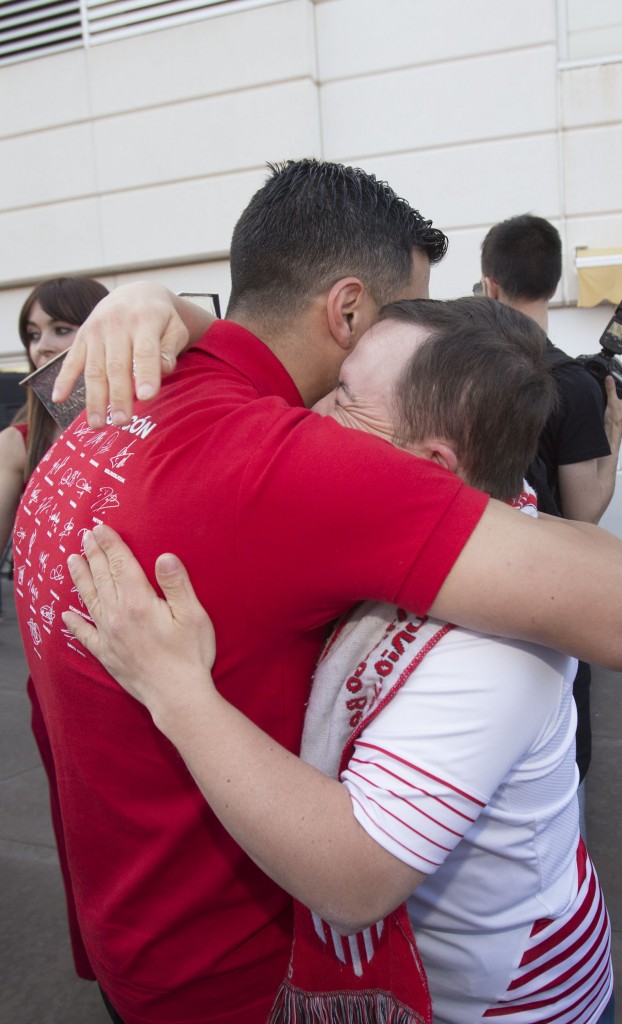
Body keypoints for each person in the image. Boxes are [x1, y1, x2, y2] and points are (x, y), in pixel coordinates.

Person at [13, 159, 622, 1024]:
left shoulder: (108, 409)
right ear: (348, 312)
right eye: (406, 308)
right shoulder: (294, 463)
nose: (325, 414)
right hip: (236, 974)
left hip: (129, 931)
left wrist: (167, 304)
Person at [480, 213, 622, 836]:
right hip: (556, 603)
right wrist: (611, 442)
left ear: (490, 284)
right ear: (555, 282)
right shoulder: (577, 387)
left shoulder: (465, 374)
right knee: (559, 763)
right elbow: (583, 515)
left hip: (477, 590)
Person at [0, 276, 108, 982]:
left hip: (152, 659)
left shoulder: (153, 415)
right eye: (33, 334)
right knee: (89, 833)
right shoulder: (19, 440)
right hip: (61, 673)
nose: (44, 347)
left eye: (62, 329)